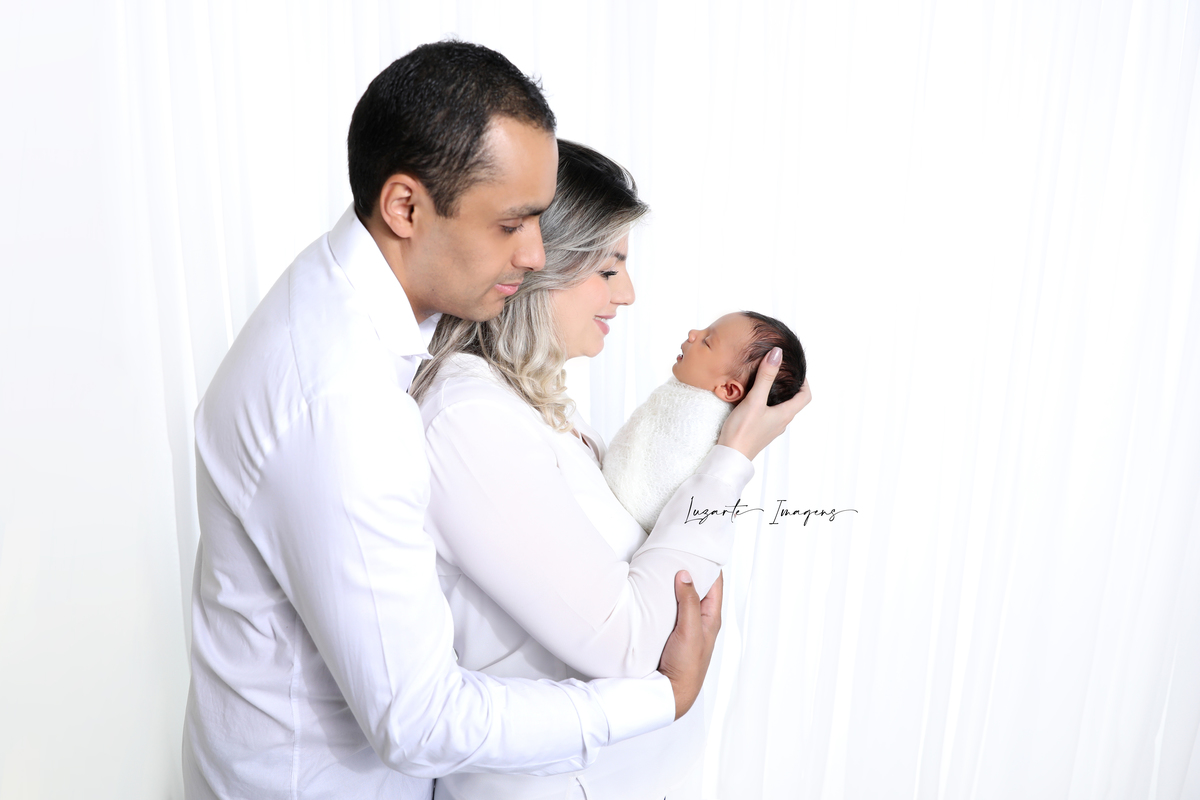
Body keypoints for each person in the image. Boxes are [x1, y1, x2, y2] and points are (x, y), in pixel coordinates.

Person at [183, 42, 743, 800]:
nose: (538, 254)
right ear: (405, 208)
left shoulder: (346, 306)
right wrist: (659, 698)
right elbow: (418, 722)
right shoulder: (345, 404)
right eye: (513, 224)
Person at [409, 140, 812, 799]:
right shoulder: (469, 419)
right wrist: (730, 460)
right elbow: (628, 644)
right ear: (537, 265)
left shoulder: (542, 404)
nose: (627, 293)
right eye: (607, 269)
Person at [604, 311, 806, 531]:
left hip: (630, 521)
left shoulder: (703, 422)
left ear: (728, 389)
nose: (693, 334)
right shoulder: (681, 397)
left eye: (707, 341)